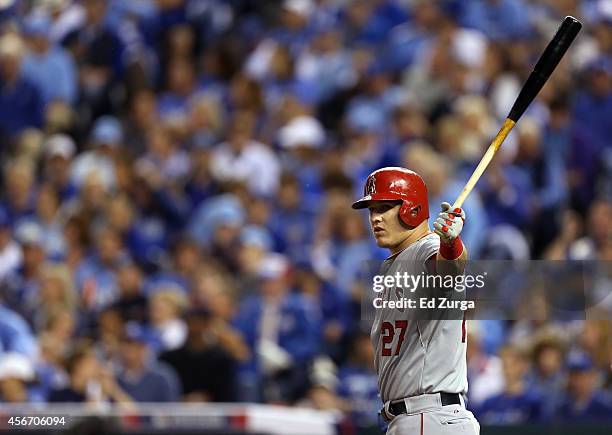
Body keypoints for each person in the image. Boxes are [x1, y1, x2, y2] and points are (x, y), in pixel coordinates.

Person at [351, 167, 480, 434]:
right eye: (372, 210)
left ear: (411, 208)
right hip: (420, 418)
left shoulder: (426, 248)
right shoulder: (396, 262)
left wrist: (450, 242)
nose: (375, 218)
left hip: (427, 416)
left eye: (384, 207)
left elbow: (449, 267)